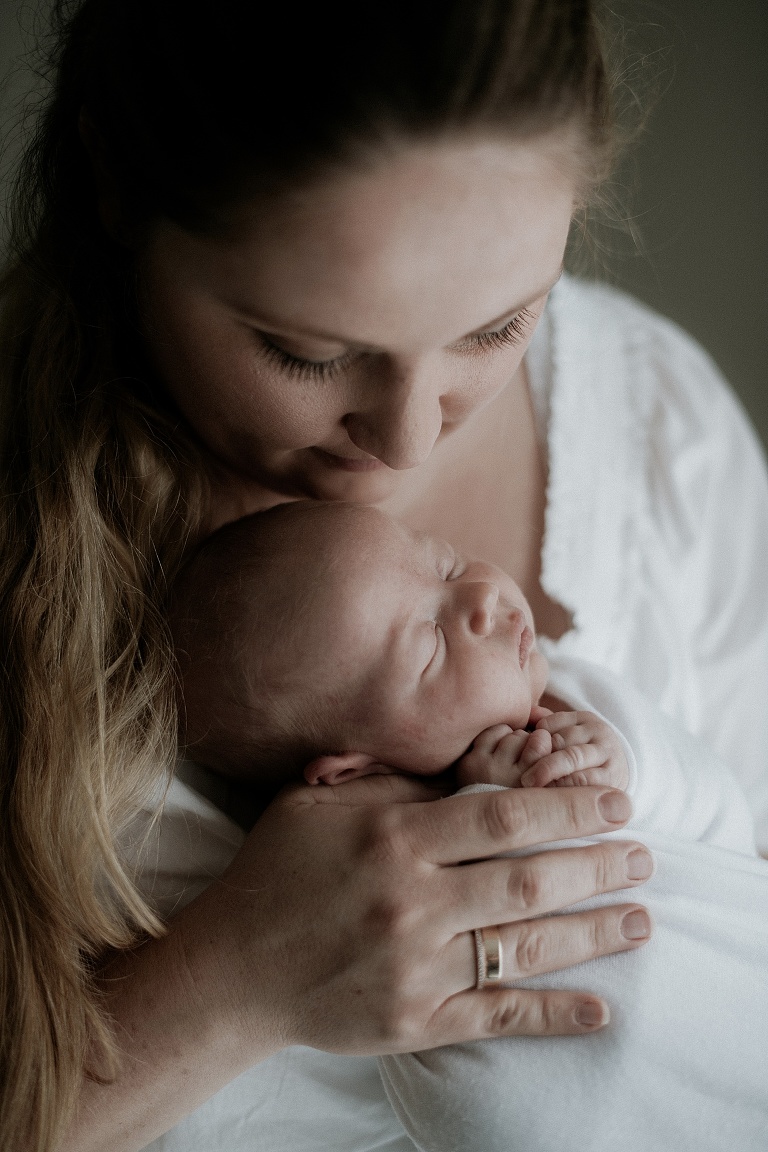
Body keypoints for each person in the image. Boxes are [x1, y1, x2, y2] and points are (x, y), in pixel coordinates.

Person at [1, 2, 767, 1151]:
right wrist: (232, 983)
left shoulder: (661, 432)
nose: (409, 443)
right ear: (118, 185)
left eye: (500, 325)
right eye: (305, 350)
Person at [164, 499, 768, 1152]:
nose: (480, 598)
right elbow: (469, 1113)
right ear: (349, 770)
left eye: (445, 563)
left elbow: (724, 819)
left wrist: (614, 756)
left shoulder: (569, 701)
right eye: (428, 645)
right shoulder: (369, 916)